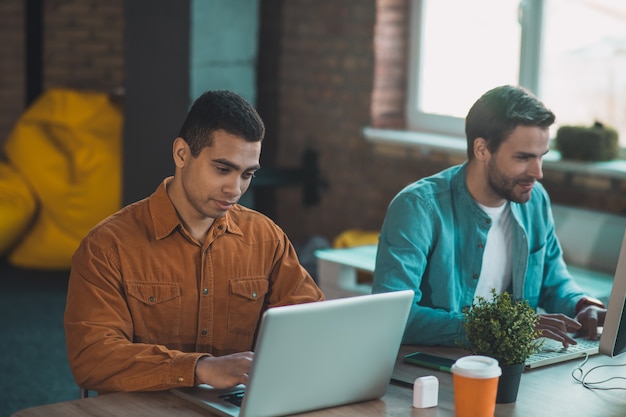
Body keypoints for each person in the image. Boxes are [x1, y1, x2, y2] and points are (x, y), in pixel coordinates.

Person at [64, 90, 325, 393]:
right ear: (182, 154)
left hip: (235, 406)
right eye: (223, 169)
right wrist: (199, 368)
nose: (235, 188)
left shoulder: (266, 238)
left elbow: (311, 324)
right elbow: (92, 358)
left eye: (247, 174)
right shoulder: (106, 247)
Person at [372, 85, 606, 347]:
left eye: (541, 157)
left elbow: (553, 282)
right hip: (435, 366)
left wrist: (583, 304)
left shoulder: (535, 200)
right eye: (523, 157)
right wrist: (498, 327)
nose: (537, 172)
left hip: (512, 362)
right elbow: (393, 317)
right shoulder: (417, 208)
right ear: (482, 149)